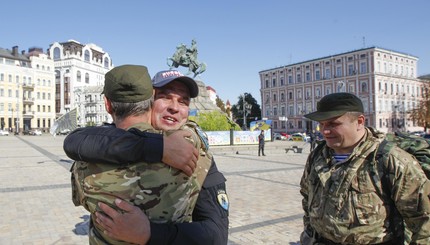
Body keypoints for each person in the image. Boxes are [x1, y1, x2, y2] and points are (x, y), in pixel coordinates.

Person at [65, 69, 229, 244]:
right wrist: (158, 146)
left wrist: (151, 233)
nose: (174, 107)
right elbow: (75, 141)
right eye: (165, 97)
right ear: (149, 101)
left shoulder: (198, 155)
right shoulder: (113, 138)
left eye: (183, 101)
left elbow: (216, 235)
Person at [300, 92, 430, 244]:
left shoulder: (390, 160)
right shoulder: (317, 156)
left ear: (360, 121)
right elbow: (306, 196)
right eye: (321, 124)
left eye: (333, 124)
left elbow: (424, 221)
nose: (324, 131)